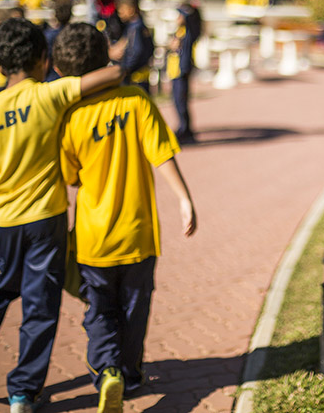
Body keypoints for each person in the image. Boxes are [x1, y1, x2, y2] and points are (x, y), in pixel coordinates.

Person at [0, 18, 123, 413]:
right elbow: (111, 75)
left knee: (4, 284)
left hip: (3, 221)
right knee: (40, 304)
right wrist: (118, 62)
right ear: (44, 59)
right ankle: (23, 391)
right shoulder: (49, 96)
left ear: (0, 63)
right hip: (45, 218)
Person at [54, 23, 197, 412]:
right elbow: (162, 153)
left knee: (100, 308)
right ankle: (131, 373)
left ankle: (107, 371)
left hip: (93, 237)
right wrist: (185, 199)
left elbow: (69, 176)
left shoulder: (70, 117)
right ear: (105, 58)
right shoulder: (136, 101)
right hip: (139, 234)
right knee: (135, 307)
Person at [168, 3, 201, 142]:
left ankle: (186, 130)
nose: (178, 18)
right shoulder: (179, 30)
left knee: (181, 100)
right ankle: (182, 127)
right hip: (174, 70)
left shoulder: (189, 31)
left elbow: (193, 23)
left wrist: (190, 11)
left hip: (182, 70)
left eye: (180, 15)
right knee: (176, 100)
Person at [109, 0, 154, 94]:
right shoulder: (137, 25)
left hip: (136, 78)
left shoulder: (135, 28)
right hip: (141, 76)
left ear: (131, 9)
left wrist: (125, 69)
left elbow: (136, 51)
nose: (119, 13)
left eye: (121, 10)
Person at [44, 0, 74, 82]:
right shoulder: (75, 33)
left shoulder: (49, 35)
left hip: (53, 78)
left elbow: (46, 59)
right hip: (71, 77)